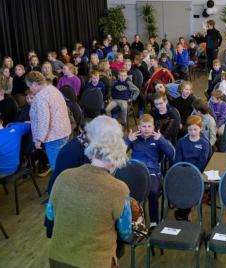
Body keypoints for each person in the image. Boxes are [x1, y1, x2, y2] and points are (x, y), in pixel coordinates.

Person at [45, 116, 131, 267]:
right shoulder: (120, 189)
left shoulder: (64, 176)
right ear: (117, 158)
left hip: (57, 258)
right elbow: (125, 232)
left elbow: (50, 215)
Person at [127, 114, 174, 225]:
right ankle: (136, 221)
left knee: (153, 192)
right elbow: (118, 155)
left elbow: (171, 154)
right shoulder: (134, 138)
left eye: (149, 126)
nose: (147, 129)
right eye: (144, 126)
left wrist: (161, 140)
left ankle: (154, 222)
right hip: (135, 171)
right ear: (139, 127)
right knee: (129, 193)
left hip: (152, 172)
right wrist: (128, 141)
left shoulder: (157, 139)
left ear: (153, 127)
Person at [26, 71, 71, 173]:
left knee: (57, 168)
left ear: (34, 84)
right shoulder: (53, 89)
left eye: (29, 86)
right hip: (63, 131)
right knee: (63, 163)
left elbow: (43, 120)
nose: (30, 89)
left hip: (53, 136)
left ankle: (60, 187)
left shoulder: (40, 97)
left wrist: (39, 140)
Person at [0, 111, 31, 176]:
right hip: (16, 167)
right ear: (1, 121)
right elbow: (30, 125)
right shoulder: (17, 129)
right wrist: (10, 125)